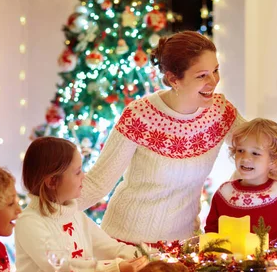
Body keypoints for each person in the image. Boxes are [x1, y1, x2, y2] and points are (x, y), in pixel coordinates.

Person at [78, 31, 244, 244]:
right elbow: (97, 182)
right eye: (202, 75)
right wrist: (46, 216)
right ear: (174, 79)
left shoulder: (220, 112)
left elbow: (263, 148)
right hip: (124, 244)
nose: (213, 81)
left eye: (215, 70)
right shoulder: (140, 115)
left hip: (181, 247)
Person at [14, 137, 146, 272]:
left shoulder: (76, 215)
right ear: (52, 182)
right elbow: (60, 266)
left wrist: (146, 257)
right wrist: (115, 269)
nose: (84, 176)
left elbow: (111, 248)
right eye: (77, 172)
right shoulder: (29, 222)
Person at [205, 118, 277, 241]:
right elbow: (211, 232)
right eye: (240, 150)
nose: (245, 158)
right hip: (227, 260)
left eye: (255, 153)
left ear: (273, 161)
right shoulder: (224, 193)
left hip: (269, 260)